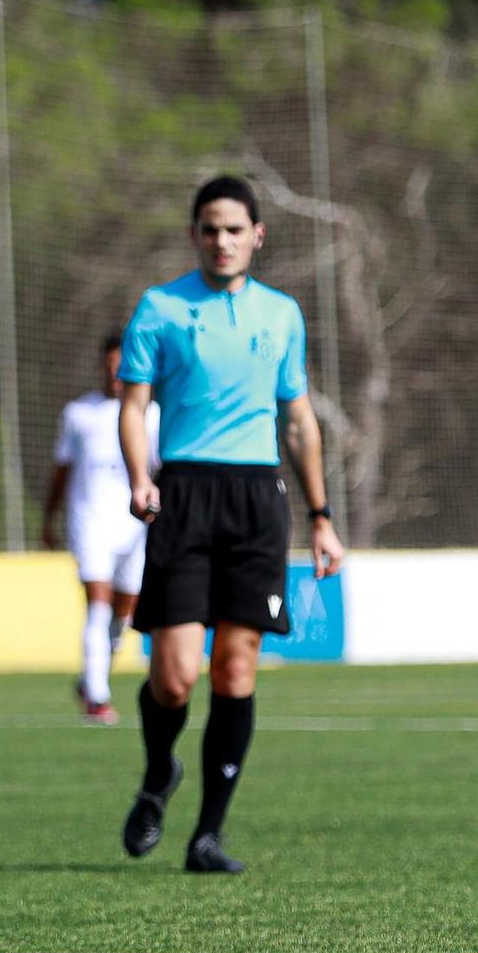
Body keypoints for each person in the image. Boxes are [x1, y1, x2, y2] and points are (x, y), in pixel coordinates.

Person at [117, 175, 344, 874]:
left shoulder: (282, 315)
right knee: (176, 674)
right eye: (210, 228)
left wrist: (322, 517)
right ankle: (160, 774)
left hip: (255, 498)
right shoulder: (159, 307)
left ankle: (208, 835)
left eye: (234, 229)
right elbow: (133, 406)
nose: (222, 240)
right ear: (195, 234)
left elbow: (298, 420)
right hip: (183, 492)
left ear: (257, 236)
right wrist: (140, 477)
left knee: (237, 666)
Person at [41, 335, 156, 724]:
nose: (115, 375)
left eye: (122, 368)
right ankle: (97, 696)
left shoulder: (151, 414)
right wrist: (49, 517)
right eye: (110, 367)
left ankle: (92, 677)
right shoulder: (79, 414)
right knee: (98, 604)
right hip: (89, 521)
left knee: (124, 615)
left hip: (136, 525)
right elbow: (62, 470)